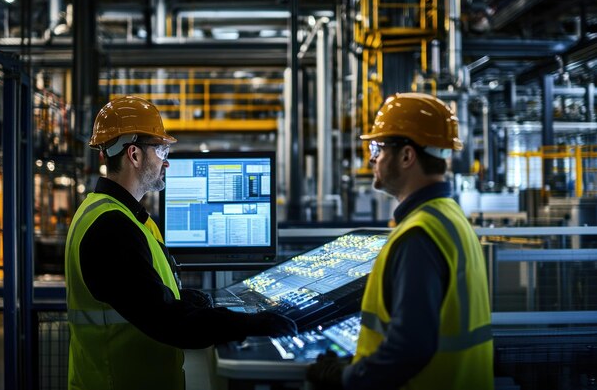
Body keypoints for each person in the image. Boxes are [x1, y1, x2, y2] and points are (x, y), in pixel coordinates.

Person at [65, 95, 297, 390]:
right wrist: (248, 325)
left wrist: (183, 298)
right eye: (160, 149)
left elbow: (136, 297)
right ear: (134, 154)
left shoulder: (113, 214)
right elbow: (167, 322)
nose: (167, 162)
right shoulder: (112, 227)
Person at [306, 93, 493, 390]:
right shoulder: (450, 217)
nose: (372, 158)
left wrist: (345, 377)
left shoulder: (419, 235)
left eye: (378, 148)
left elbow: (409, 348)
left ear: (407, 156)